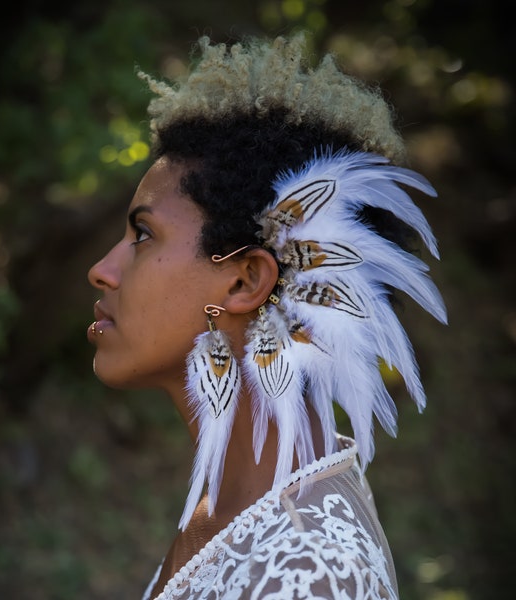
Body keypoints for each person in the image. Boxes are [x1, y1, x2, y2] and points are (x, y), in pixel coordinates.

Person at [87, 33, 446, 600]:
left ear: (245, 280)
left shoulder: (313, 571)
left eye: (143, 235)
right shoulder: (227, 503)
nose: (102, 271)